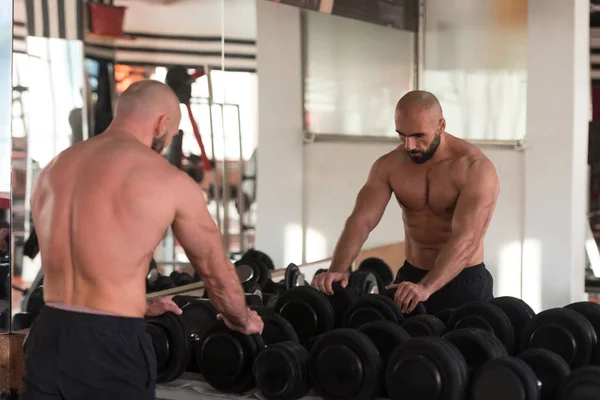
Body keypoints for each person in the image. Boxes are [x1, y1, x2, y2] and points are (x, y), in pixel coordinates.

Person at [21, 80, 263, 400]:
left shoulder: (54, 169)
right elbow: (216, 274)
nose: (168, 141)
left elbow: (84, 259)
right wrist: (243, 319)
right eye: (174, 133)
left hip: (48, 334)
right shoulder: (167, 180)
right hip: (110, 345)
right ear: (162, 122)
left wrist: (140, 303)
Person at [312, 90, 499, 314]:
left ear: (441, 125)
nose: (409, 146)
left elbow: (468, 238)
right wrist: (338, 269)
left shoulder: (474, 168)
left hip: (463, 282)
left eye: (419, 136)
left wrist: (426, 287)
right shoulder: (390, 165)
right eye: (402, 135)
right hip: (411, 278)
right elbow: (361, 221)